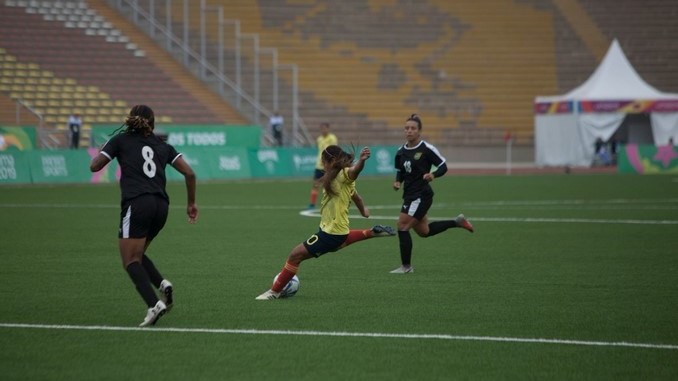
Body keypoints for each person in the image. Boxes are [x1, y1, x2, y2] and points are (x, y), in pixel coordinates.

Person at [89, 105, 198, 326]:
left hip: (137, 203)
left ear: (130, 120)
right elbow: (190, 172)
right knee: (138, 254)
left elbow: (95, 166)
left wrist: (103, 149)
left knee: (129, 260)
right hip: (161, 206)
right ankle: (162, 284)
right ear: (153, 123)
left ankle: (153, 305)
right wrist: (191, 203)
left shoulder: (120, 140)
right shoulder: (162, 146)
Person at [256, 145, 396, 300]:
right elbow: (356, 196)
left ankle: (274, 292)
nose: (322, 165)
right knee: (336, 244)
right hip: (337, 230)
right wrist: (364, 211)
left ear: (332, 161)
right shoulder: (334, 175)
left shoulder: (344, 174)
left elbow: (354, 172)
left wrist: (362, 161)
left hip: (331, 232)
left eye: (324, 162)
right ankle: (370, 232)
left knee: (295, 255)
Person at [391, 113, 474, 274]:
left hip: (421, 195)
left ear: (419, 131)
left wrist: (433, 175)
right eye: (406, 128)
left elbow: (443, 166)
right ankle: (457, 222)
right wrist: (397, 182)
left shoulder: (426, 149)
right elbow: (400, 171)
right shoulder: (400, 151)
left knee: (402, 226)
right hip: (409, 194)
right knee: (424, 231)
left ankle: (406, 267)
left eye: (413, 128)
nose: (409, 131)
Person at [308, 122, 338, 209]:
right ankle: (312, 204)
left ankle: (333, 203)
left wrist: (330, 162)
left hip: (329, 166)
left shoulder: (332, 138)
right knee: (316, 184)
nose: (323, 130)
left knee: (330, 185)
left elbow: (334, 151)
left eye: (325, 128)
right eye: (322, 129)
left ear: (328, 129)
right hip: (319, 166)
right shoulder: (319, 139)